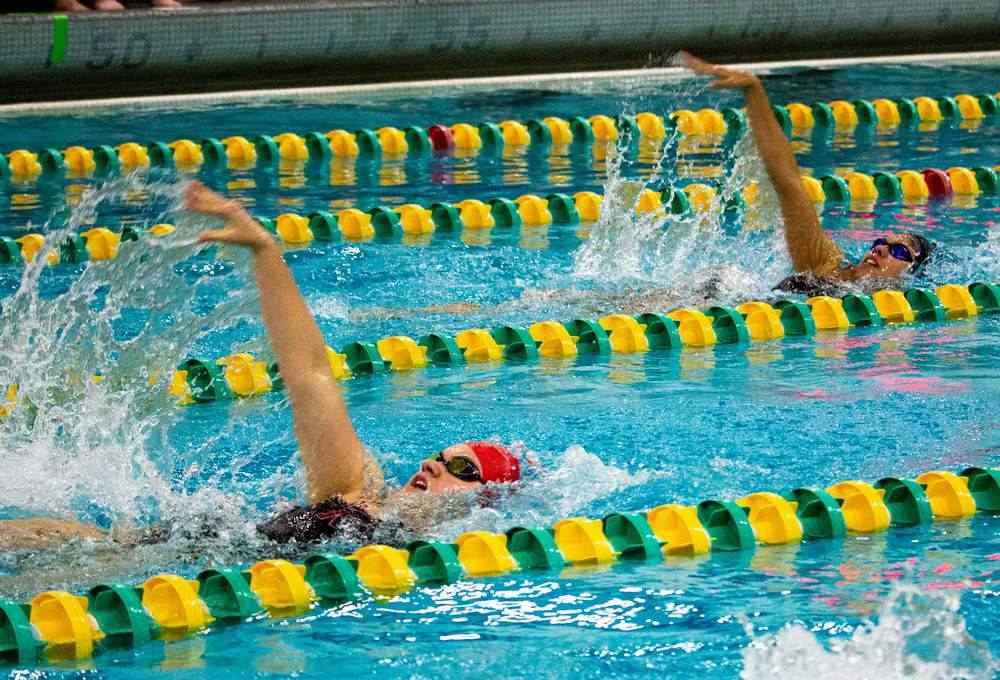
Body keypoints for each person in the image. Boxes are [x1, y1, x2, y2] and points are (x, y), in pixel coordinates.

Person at [0, 182, 522, 551]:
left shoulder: (409, 548)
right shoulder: (359, 487)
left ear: (484, 502)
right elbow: (310, 377)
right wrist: (266, 253)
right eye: (440, 456)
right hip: (145, 553)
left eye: (461, 469)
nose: (433, 465)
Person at [679, 52, 934, 297]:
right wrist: (754, 90)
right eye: (881, 242)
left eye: (899, 251)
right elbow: (788, 182)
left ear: (910, 275)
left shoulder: (887, 313)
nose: (880, 249)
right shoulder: (825, 262)